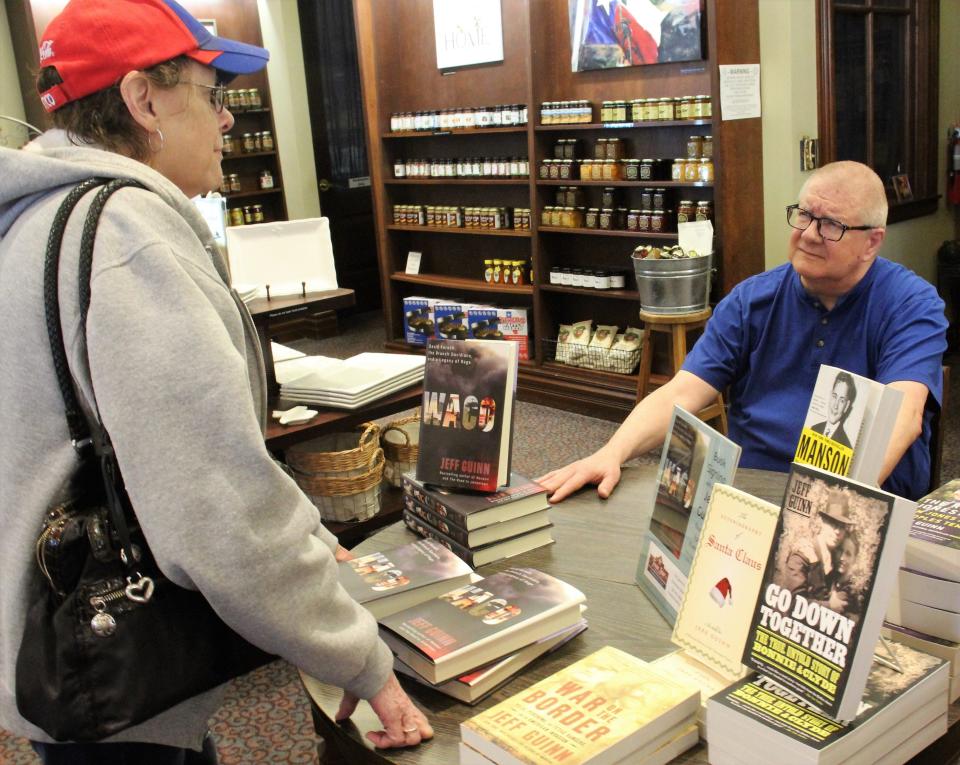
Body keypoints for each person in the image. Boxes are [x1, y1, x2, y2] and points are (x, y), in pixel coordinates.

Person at [0, 0, 432, 761]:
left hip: (54, 641)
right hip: (117, 675)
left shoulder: (39, 219)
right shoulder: (128, 238)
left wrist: (299, 529)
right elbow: (215, 512)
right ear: (143, 100)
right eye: (211, 95)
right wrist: (360, 659)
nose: (227, 121)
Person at [539, 161, 947, 503]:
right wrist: (612, 452)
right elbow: (683, 393)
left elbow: (904, 414)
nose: (807, 234)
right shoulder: (751, 300)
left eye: (830, 225)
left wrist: (830, 510)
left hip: (856, 499)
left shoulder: (910, 303)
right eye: (804, 215)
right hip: (753, 492)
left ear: (872, 242)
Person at [796, 492, 853, 600]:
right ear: (823, 522)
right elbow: (791, 600)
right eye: (833, 523)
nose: (837, 531)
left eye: (842, 527)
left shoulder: (835, 560)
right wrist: (830, 606)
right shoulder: (803, 552)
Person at [810, 370, 857, 447]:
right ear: (830, 396)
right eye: (834, 396)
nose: (835, 406)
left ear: (847, 406)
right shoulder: (813, 429)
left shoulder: (846, 446)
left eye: (842, 400)